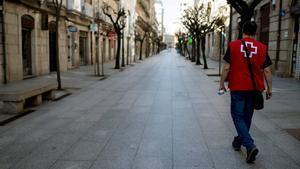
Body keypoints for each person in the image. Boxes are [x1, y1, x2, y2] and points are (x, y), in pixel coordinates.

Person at [219, 21, 272, 163]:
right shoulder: (262, 47)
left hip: (238, 87)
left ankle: (249, 145)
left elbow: (226, 68)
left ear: (243, 31)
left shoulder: (234, 45)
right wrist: (269, 89)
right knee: (247, 117)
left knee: (237, 116)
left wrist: (221, 83)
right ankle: (238, 141)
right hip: (255, 89)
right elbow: (267, 70)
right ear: (255, 32)